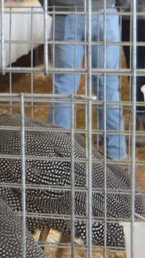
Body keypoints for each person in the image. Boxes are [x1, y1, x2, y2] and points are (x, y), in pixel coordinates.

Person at [40, 0, 130, 160]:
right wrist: (117, 5)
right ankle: (116, 159)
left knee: (64, 90)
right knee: (108, 86)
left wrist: (55, 6)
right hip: (104, 12)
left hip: (66, 13)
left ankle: (59, 158)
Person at [121, 0, 145, 143]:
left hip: (137, 18)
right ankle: (110, 129)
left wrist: (121, 5)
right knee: (106, 72)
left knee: (136, 70)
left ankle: (140, 122)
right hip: (112, 17)